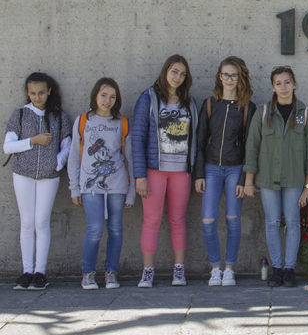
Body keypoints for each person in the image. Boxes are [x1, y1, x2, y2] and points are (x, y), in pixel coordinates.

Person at [244, 66, 308, 288]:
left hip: (295, 180)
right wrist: (249, 180)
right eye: (279, 83)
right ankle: (276, 268)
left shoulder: (304, 114)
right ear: (272, 87)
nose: (283, 87)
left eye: (287, 82)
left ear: (294, 84)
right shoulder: (264, 112)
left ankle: (289, 269)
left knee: (293, 223)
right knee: (272, 222)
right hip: (267, 179)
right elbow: (252, 147)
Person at [132, 55, 198, 288]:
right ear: (165, 71)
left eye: (182, 73)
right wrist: (139, 175)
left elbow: (195, 138)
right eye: (174, 71)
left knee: (178, 220)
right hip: (154, 170)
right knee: (151, 220)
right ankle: (147, 271)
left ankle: (178, 270)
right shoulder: (148, 98)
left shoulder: (189, 102)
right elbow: (137, 137)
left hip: (181, 172)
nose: (177, 77)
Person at [4, 73, 72, 290]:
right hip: (22, 174)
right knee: (27, 222)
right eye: (32, 93)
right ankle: (26, 271)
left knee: (41, 222)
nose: (37, 97)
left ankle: (40, 272)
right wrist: (33, 140)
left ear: (49, 91)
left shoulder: (59, 117)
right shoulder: (20, 115)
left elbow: (67, 145)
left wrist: (58, 162)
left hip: (49, 176)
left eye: (41, 92)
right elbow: (8, 146)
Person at [194, 56, 256, 287]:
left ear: (241, 78)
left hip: (235, 169)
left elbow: (251, 145)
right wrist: (199, 174)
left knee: (233, 219)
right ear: (219, 76)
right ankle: (215, 267)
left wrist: (243, 178)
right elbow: (199, 142)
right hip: (210, 168)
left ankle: (229, 268)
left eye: (234, 75)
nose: (229, 79)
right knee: (208, 219)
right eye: (225, 74)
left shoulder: (248, 108)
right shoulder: (210, 104)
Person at [68, 78, 134, 290]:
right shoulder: (83, 121)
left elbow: (130, 158)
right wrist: (74, 187)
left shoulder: (122, 123)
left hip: (117, 184)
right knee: (95, 229)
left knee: (115, 229)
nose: (107, 101)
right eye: (104, 95)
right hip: (91, 185)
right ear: (95, 95)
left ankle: (111, 272)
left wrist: (131, 192)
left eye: (112, 97)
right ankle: (88, 273)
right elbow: (74, 156)